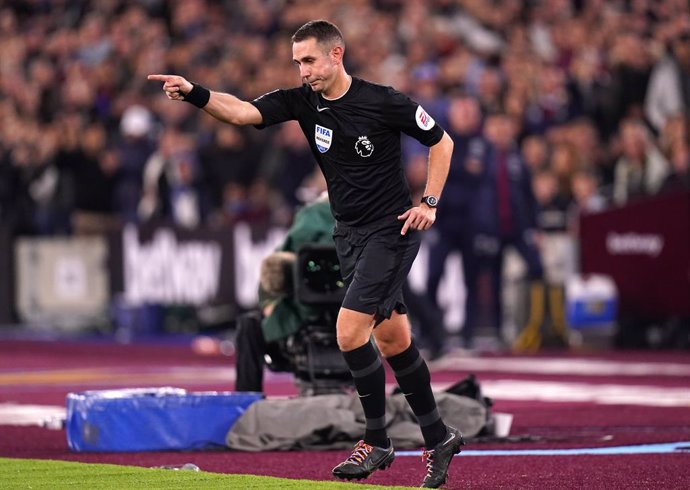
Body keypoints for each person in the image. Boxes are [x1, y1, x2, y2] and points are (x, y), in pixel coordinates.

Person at [149, 20, 460, 489]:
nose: (303, 70)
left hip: (391, 231)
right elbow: (240, 113)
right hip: (349, 235)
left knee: (349, 331)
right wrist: (195, 92)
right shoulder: (301, 102)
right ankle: (439, 437)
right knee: (394, 340)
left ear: (337, 55)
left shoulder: (383, 100)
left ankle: (377, 439)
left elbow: (442, 142)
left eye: (309, 60)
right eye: (297, 62)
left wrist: (430, 203)